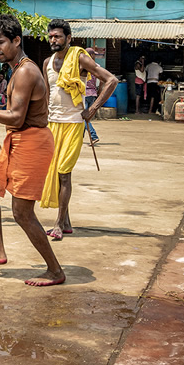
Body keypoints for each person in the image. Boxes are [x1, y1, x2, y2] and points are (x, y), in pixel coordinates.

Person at [0, 14, 65, 287]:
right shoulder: (18, 69)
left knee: (22, 213)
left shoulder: (26, 71)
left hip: (31, 142)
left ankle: (55, 270)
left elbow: (17, 117)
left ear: (16, 41)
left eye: (1, 43)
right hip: (17, 141)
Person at [39, 20, 118, 241]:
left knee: (64, 172)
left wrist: (92, 109)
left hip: (74, 123)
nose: (53, 40)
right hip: (52, 124)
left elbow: (111, 80)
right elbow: (46, 95)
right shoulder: (47, 62)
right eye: (51, 36)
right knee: (54, 172)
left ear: (69, 38)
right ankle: (66, 221)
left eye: (58, 36)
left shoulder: (80, 57)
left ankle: (58, 225)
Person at [83, 50, 100, 144]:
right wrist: (99, 91)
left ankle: (93, 136)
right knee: (85, 117)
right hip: (93, 94)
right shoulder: (97, 66)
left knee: (84, 117)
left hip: (84, 94)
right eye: (94, 54)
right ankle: (79, 137)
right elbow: (101, 80)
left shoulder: (82, 66)